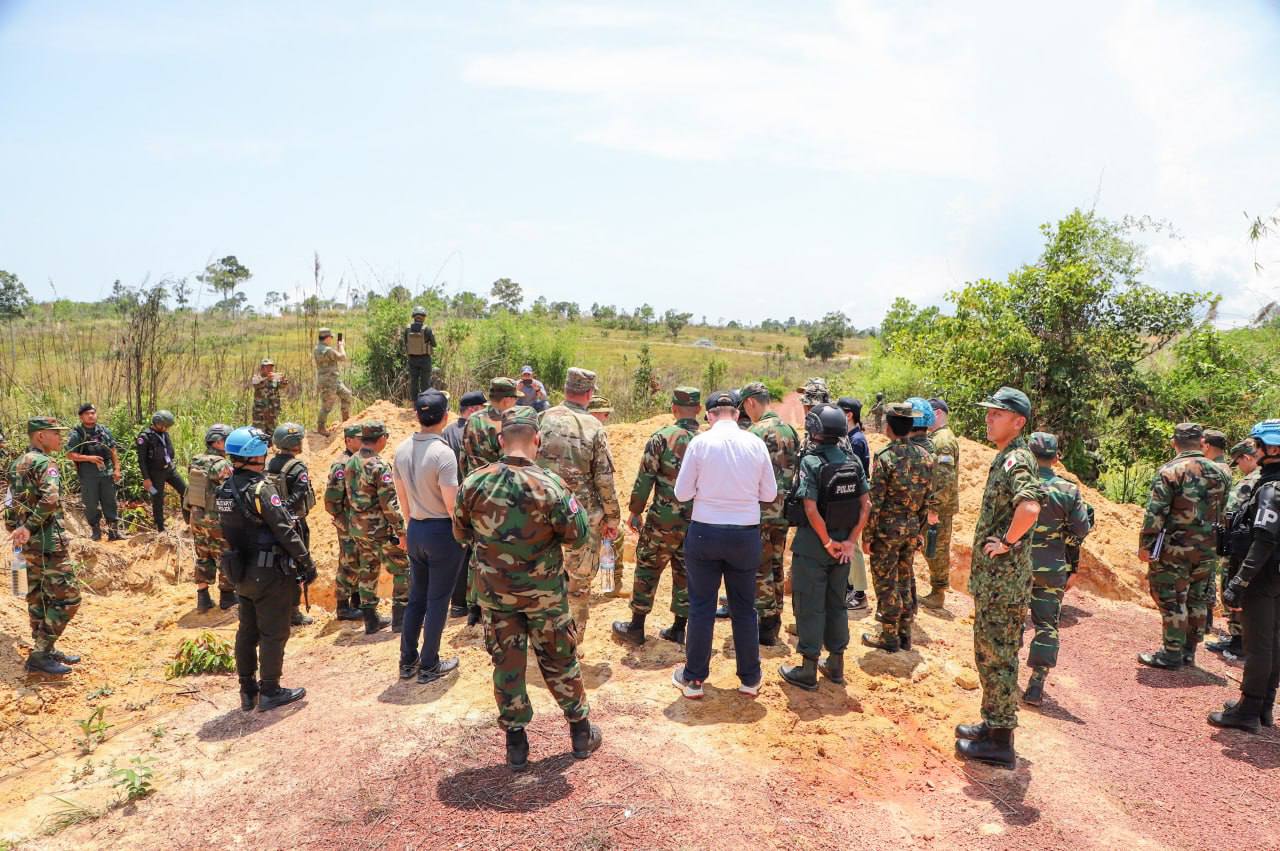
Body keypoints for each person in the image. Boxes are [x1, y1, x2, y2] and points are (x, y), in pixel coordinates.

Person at [453, 406, 600, 769]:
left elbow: (461, 532)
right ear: (537, 440)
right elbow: (578, 534)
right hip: (544, 595)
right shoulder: (551, 485)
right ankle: (581, 733)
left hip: (495, 595)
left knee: (507, 664)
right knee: (560, 659)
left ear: (500, 439)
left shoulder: (473, 483)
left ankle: (516, 744)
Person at [955, 387, 1044, 770]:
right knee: (989, 653)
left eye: (998, 414)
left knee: (999, 657)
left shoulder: (1017, 459)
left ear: (1018, 421)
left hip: (1003, 584)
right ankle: (991, 723)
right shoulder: (1007, 455)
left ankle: (1001, 740)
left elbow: (1030, 506)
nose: (989, 418)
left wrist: (1007, 541)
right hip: (996, 582)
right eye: (989, 412)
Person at [670, 390, 777, 699]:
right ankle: (750, 678)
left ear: (709, 415)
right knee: (744, 608)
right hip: (744, 534)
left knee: (701, 606)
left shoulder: (700, 443)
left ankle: (694, 679)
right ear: (737, 413)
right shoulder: (755, 443)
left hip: (705, 532)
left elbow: (681, 493)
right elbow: (769, 494)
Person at [216, 426, 314, 712]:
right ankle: (270, 690)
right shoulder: (261, 489)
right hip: (269, 572)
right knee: (274, 632)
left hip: (240, 571)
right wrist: (306, 561)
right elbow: (284, 529)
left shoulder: (225, 488)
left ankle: (247, 690)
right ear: (255, 453)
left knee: (247, 631)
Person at [779, 406, 869, 690]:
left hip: (814, 548)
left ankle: (808, 669)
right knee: (836, 603)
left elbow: (810, 508)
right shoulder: (853, 460)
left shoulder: (811, 462)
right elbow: (866, 505)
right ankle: (836, 664)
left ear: (814, 429)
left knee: (809, 605)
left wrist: (827, 542)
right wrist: (849, 541)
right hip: (843, 550)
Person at [1136, 423, 1231, 670]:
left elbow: (1156, 512)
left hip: (1174, 548)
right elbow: (1223, 512)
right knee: (1197, 599)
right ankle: (1189, 652)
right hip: (1208, 549)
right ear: (1202, 443)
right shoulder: (1220, 472)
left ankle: (1171, 654)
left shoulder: (1170, 471)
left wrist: (1146, 545)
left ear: (1174, 443)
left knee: (1171, 598)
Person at [537, 367, 620, 647]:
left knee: (545, 579)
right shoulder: (593, 426)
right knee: (578, 585)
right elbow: (604, 479)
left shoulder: (542, 418)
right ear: (589, 393)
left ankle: (544, 639)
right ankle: (570, 645)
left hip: (542, 515)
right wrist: (613, 517)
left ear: (565, 389)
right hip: (581, 520)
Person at [612, 387, 701, 646]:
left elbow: (645, 479)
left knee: (648, 568)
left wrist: (635, 511)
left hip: (663, 519)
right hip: (696, 520)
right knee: (687, 571)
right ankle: (679, 629)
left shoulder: (661, 438)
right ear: (698, 410)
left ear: (673, 409)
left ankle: (636, 627)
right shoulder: (707, 441)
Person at [1212, 419, 1280, 732]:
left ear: (1274, 450)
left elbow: (1264, 539)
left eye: (1258, 445)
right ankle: (1263, 706)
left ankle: (1248, 711)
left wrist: (1240, 581)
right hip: (1273, 575)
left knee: (1259, 646)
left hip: (1262, 577)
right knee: (1273, 642)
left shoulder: (1271, 488)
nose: (1253, 450)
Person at [393, 389, 465, 684]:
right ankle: (429, 664)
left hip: (416, 528)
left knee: (417, 598)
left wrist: (410, 528)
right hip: (441, 531)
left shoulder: (401, 449)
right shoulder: (443, 453)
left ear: (417, 416)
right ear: (445, 417)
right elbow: (451, 505)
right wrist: (463, 532)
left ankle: (407, 660)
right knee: (438, 601)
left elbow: (402, 501)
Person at [1021, 432, 1093, 706]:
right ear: (1055, 458)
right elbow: (1081, 529)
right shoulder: (1068, 489)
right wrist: (1062, 540)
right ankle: (1036, 684)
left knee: (1011, 620)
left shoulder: (1019, 483)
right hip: (1051, 567)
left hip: (1016, 565)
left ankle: (1006, 674)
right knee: (1046, 625)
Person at [861, 403, 937, 653]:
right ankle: (905, 634)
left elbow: (875, 502)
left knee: (886, 582)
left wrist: (867, 535)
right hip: (912, 528)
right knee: (905, 579)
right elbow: (927, 500)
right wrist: (920, 532)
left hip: (887, 531)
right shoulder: (926, 456)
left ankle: (889, 636)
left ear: (889, 427)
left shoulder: (885, 456)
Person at [7, 417, 79, 676]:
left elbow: (10, 505)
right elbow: (50, 500)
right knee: (69, 598)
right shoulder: (46, 463)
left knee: (37, 597)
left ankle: (45, 649)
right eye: (55, 433)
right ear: (40, 436)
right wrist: (29, 527)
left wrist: (17, 531)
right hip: (48, 543)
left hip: (26, 545)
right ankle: (40, 653)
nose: (60, 438)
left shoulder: (15, 464)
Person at [739, 382, 800, 645]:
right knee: (776, 562)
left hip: (760, 511)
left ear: (751, 402)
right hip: (783, 510)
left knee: (759, 566)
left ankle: (765, 625)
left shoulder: (754, 432)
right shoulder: (789, 430)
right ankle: (775, 618)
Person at [345, 421, 410, 634]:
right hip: (379, 529)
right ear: (381, 438)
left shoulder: (351, 461)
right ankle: (401, 619)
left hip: (358, 528)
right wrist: (401, 532)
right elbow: (389, 504)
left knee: (368, 569)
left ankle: (370, 620)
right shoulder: (379, 466)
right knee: (402, 568)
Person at [1207, 439, 1263, 658]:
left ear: (1247, 458)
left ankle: (1239, 640)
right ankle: (1242, 638)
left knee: (1233, 588)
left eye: (1238, 461)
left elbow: (1230, 510)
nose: (1238, 466)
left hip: (1240, 545)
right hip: (1255, 545)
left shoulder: (1252, 481)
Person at [183, 424, 236, 613]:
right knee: (225, 554)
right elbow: (232, 488)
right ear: (218, 442)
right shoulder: (221, 464)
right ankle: (227, 597)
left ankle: (203, 598)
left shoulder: (196, 460)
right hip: (215, 518)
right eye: (228, 440)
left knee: (203, 555)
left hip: (196, 516)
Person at [267, 423, 316, 626]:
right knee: (296, 566)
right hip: (295, 524)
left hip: (274, 523)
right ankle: (294, 612)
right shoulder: (297, 467)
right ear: (295, 442)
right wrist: (284, 510)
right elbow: (299, 495)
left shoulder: (271, 463)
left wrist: (276, 512)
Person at [444, 389, 485, 617]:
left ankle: (458, 604)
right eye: (482, 408)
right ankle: (474, 604)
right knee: (477, 553)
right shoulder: (474, 431)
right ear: (472, 410)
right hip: (474, 499)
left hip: (453, 499)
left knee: (460, 553)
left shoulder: (447, 432)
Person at [324, 423, 365, 621]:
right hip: (348, 523)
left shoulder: (359, 460)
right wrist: (343, 523)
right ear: (349, 440)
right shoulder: (342, 465)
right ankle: (342, 607)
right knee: (348, 562)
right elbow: (331, 500)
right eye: (360, 438)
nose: (364, 441)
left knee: (360, 562)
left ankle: (357, 603)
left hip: (361, 524)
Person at [922, 398, 960, 610]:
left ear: (937, 413)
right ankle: (936, 590)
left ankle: (938, 593)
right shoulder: (937, 437)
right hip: (936, 505)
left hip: (940, 508)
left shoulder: (943, 440)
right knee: (931, 547)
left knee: (937, 549)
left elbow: (945, 478)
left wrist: (934, 508)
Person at [66, 403, 124, 541]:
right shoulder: (77, 434)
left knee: (110, 502)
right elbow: (70, 455)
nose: (91, 416)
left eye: (93, 413)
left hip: (106, 474)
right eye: (87, 414)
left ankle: (114, 533)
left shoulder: (104, 431)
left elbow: (113, 450)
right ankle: (96, 532)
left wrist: (117, 469)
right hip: (88, 476)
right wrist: (89, 458)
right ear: (81, 417)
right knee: (91, 504)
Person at [136, 410, 186, 532]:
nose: (167, 428)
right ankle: (160, 528)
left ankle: (188, 520)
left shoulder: (164, 434)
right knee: (157, 498)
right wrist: (146, 479)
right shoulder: (144, 437)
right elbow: (141, 460)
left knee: (185, 491)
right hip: (155, 474)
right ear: (157, 423)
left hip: (169, 469)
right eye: (165, 426)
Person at [461, 379, 519, 476]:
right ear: (507, 400)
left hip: (474, 481)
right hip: (498, 482)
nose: (516, 402)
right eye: (516, 398)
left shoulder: (472, 419)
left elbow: (463, 458)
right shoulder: (507, 423)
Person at [314, 328, 353, 435]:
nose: (331, 339)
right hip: (329, 381)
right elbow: (343, 357)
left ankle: (346, 419)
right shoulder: (327, 350)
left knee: (346, 394)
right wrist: (341, 346)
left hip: (333, 379)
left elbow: (332, 359)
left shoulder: (318, 348)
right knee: (327, 405)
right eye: (331, 337)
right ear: (327, 338)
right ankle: (321, 427)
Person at [404, 306, 438, 402]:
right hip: (425, 359)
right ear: (423, 317)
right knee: (425, 383)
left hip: (412, 359)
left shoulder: (407, 329)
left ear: (413, 317)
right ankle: (425, 403)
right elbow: (434, 344)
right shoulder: (427, 329)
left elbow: (405, 342)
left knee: (413, 382)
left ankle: (414, 404)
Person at [250, 359, 289, 436]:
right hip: (260, 412)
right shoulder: (257, 377)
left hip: (272, 412)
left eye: (271, 367)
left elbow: (282, 386)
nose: (270, 369)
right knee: (259, 433)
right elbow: (257, 384)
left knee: (272, 432)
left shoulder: (274, 379)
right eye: (267, 367)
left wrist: (283, 381)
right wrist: (267, 379)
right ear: (262, 368)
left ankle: (271, 443)